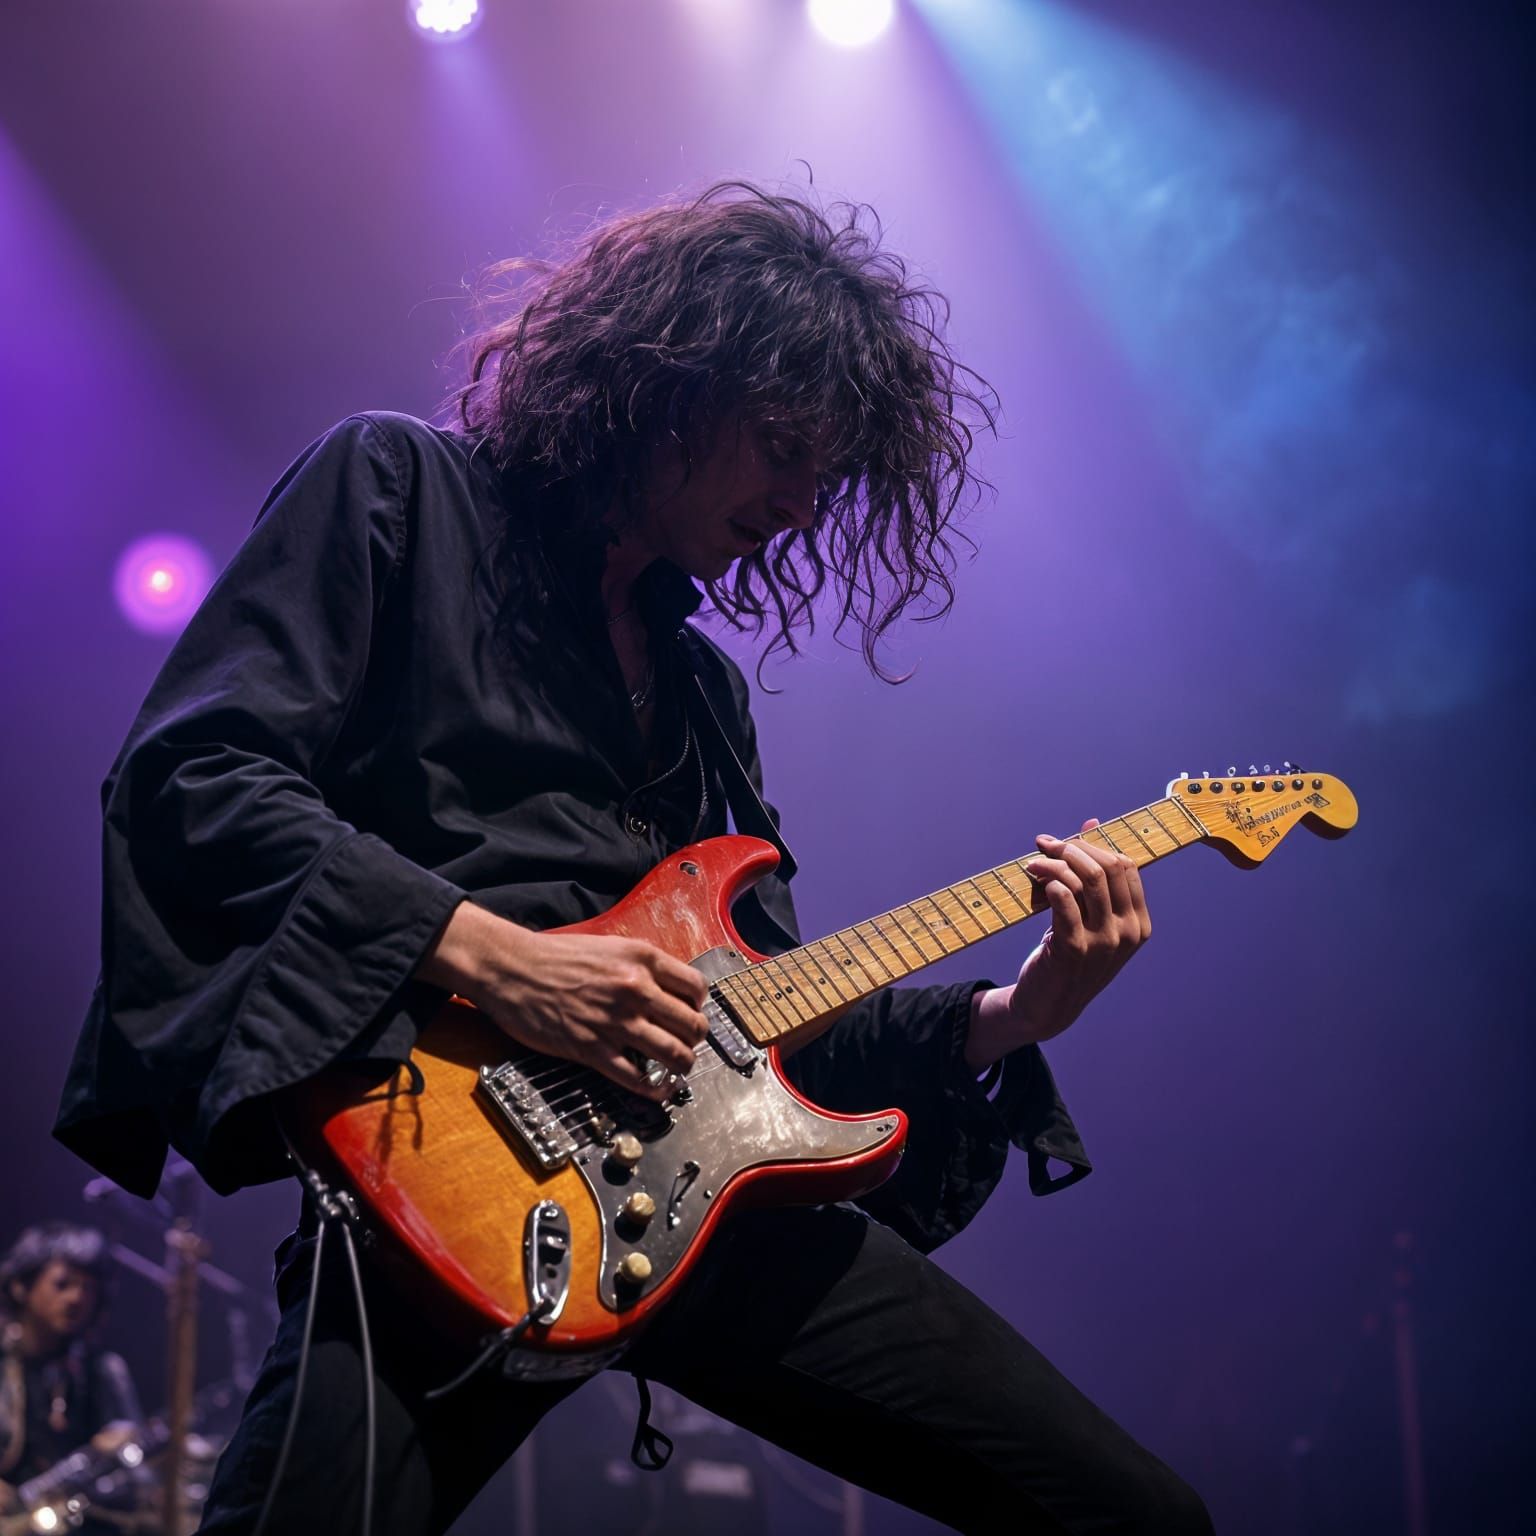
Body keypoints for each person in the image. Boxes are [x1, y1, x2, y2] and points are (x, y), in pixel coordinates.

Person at [54, 183, 1212, 1534]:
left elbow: (769, 1020)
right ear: (668, 384)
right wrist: (504, 964)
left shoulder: (702, 698)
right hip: (449, 1188)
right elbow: (195, 774)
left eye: (825, 474)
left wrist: (1019, 1014)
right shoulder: (398, 489)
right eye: (779, 445)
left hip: (701, 1200)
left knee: (1138, 1516)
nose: (797, 498)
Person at [0, 1224, 143, 1529]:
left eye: (88, 1289)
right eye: (62, 1284)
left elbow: (137, 1482)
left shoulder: (102, 1370)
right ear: (21, 1287)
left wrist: (121, 1450)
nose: (76, 1298)